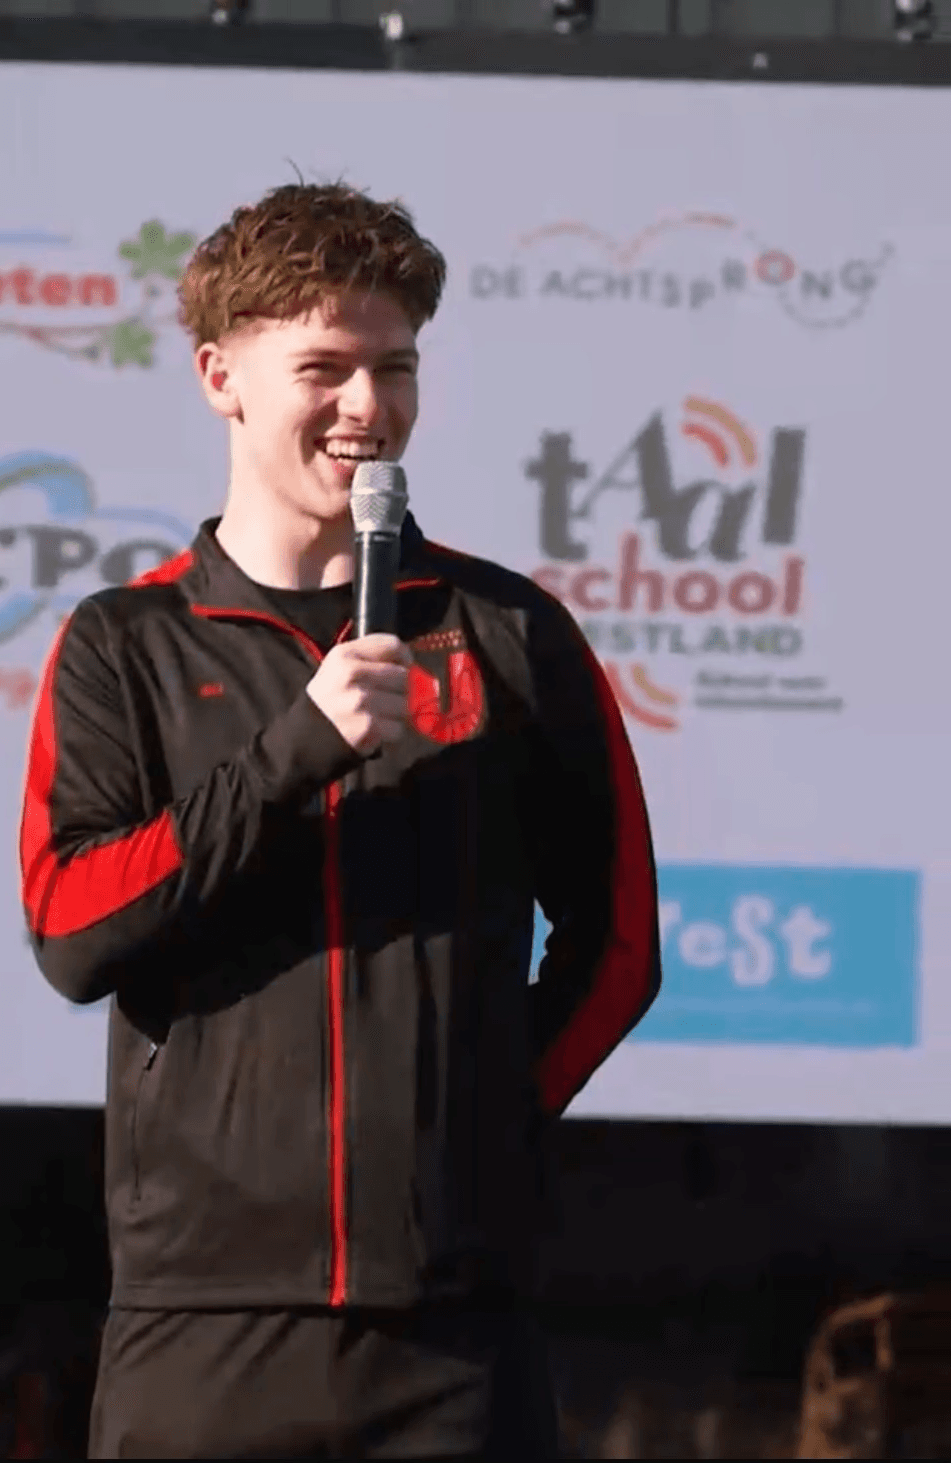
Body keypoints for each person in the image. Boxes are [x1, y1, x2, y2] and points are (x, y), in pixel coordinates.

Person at [18, 183, 661, 1459]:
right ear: (222, 377)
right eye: (325, 366)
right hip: (200, 1325)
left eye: (396, 366)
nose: (369, 406)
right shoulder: (125, 644)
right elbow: (73, 927)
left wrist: (474, 1119)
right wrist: (292, 751)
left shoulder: (511, 633)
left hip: (454, 1335)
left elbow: (621, 940)